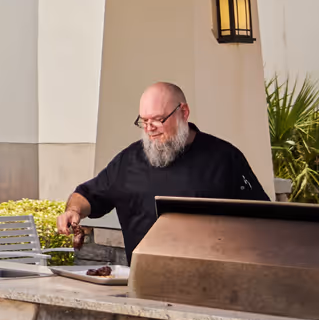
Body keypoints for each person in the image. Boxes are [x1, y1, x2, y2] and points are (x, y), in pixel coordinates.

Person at [56, 81, 268, 258]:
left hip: (212, 285)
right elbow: (88, 194)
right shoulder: (129, 160)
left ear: (183, 112)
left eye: (158, 120)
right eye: (144, 121)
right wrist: (73, 211)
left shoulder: (224, 158)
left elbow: (260, 218)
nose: (150, 129)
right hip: (143, 284)